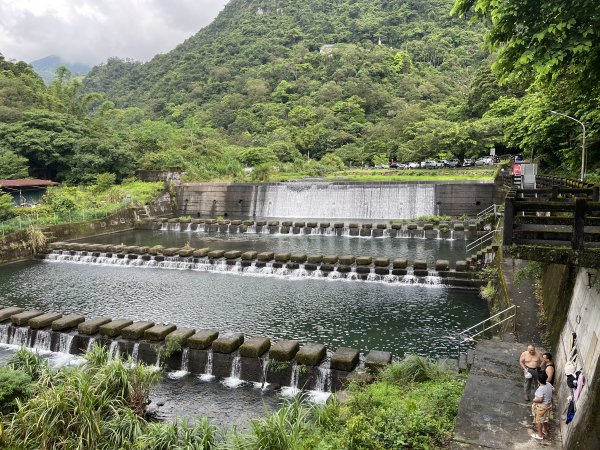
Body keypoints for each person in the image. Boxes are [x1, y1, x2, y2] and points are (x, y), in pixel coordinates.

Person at [531, 371, 553, 440]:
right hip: (548, 405)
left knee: (539, 421)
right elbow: (553, 390)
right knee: (545, 419)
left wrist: (534, 400)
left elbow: (540, 399)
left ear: (538, 380)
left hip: (541, 408)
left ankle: (540, 435)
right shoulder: (549, 384)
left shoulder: (540, 389)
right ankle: (545, 431)